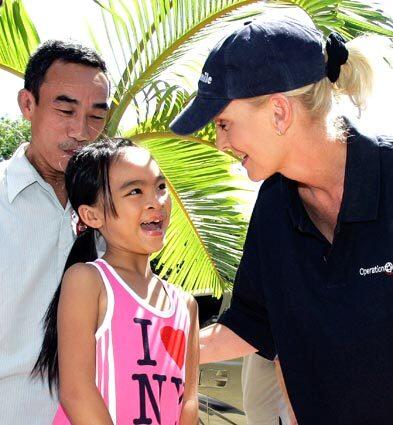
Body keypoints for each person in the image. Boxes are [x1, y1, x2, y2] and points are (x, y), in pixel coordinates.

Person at [169, 16, 393, 425]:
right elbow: (251, 326)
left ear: (277, 112)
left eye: (223, 123)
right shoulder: (273, 207)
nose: (219, 142)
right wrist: (151, 345)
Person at [33, 138, 199, 424]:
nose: (155, 202)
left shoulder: (186, 305)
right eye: (135, 191)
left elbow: (188, 401)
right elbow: (76, 392)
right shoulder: (88, 281)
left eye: (160, 187)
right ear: (91, 215)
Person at [0, 40, 110, 424]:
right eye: (65, 109)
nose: (80, 131)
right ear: (27, 105)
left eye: (97, 116)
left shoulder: (113, 218)